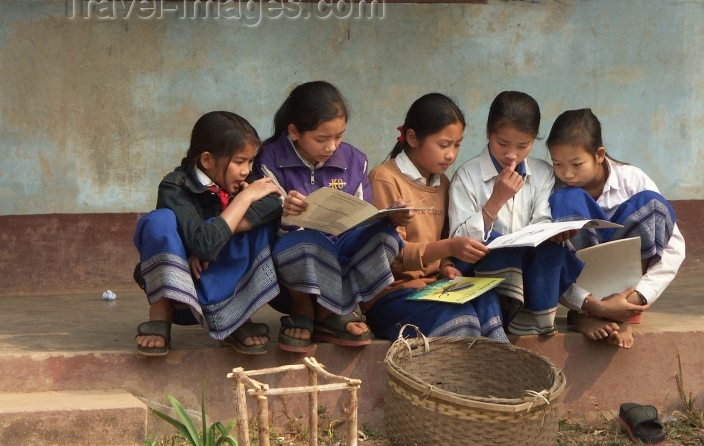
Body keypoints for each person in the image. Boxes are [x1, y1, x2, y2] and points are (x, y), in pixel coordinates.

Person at [256, 81, 403, 353]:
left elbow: (364, 217)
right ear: (294, 132)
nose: (332, 146)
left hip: (342, 250)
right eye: (322, 139)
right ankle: (305, 307)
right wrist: (286, 213)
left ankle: (331, 310)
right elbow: (262, 223)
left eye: (339, 136)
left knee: (386, 238)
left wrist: (389, 219)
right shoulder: (270, 159)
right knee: (305, 243)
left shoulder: (355, 160)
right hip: (295, 263)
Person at [134, 111, 284, 357]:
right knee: (157, 221)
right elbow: (202, 244)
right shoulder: (175, 187)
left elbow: (275, 203)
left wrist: (213, 237)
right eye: (239, 161)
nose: (247, 170)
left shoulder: (244, 180)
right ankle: (160, 312)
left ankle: (237, 317)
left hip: (220, 274)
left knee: (259, 225)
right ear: (207, 160)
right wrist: (244, 200)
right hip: (185, 285)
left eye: (250, 161)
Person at [364, 93, 508, 342]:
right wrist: (450, 247)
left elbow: (441, 247)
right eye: (443, 145)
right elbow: (392, 256)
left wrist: (448, 266)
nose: (451, 154)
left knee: (488, 298)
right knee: (460, 317)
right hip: (392, 296)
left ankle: (499, 370)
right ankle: (468, 377)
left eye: (457, 145)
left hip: (433, 289)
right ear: (412, 138)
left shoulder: (442, 183)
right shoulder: (385, 178)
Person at [546, 108, 685, 348]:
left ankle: (622, 312)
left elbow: (673, 248)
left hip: (627, 283)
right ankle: (585, 314)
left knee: (653, 205)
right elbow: (547, 258)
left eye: (577, 164)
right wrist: (587, 302)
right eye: (557, 163)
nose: (567, 173)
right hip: (584, 290)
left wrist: (637, 296)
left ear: (599, 155)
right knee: (566, 202)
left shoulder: (633, 180)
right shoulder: (552, 186)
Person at [448, 91, 584, 336]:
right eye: (502, 143)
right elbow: (458, 239)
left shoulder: (542, 173)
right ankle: (505, 306)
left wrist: (553, 234)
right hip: (480, 270)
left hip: (526, 270)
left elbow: (541, 222)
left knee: (552, 249)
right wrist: (496, 200)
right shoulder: (467, 176)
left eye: (523, 146)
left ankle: (531, 315)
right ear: (488, 132)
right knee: (491, 243)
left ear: (534, 140)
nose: (511, 154)